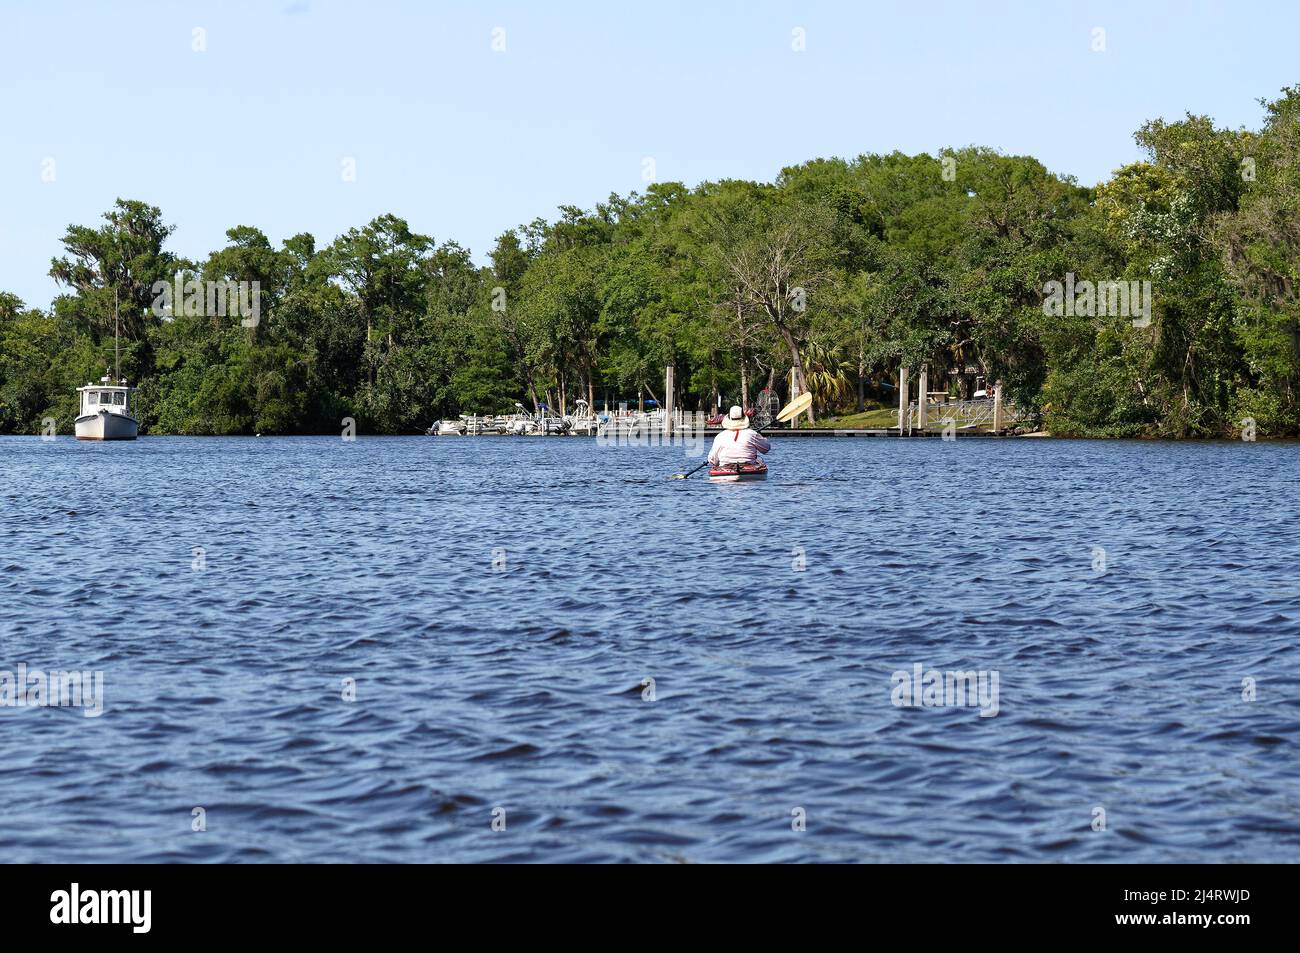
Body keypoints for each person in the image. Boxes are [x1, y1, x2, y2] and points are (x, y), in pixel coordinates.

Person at [708, 405, 771, 470]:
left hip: (725, 470)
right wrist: (763, 439)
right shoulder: (752, 434)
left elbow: (712, 460)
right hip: (749, 469)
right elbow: (766, 448)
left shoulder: (720, 436)